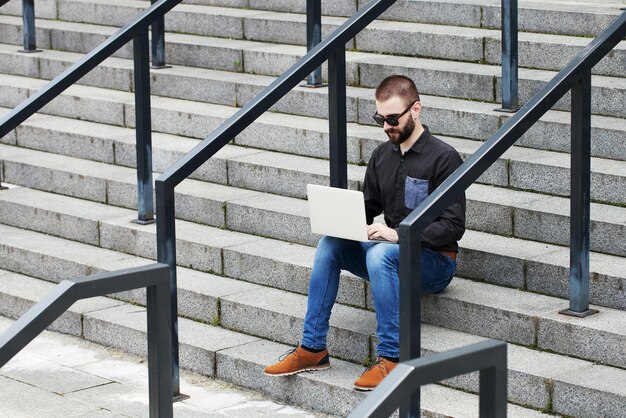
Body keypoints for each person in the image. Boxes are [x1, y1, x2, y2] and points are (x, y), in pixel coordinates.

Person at [264, 75, 466, 391]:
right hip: (389, 254)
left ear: (416, 110)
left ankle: (393, 358)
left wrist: (399, 234)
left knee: (382, 252)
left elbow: (453, 227)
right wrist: (340, 219)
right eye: (380, 119)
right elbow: (368, 206)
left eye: (392, 119)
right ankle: (313, 348)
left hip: (435, 261)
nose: (386, 126)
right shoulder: (382, 156)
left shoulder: (444, 157)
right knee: (331, 245)